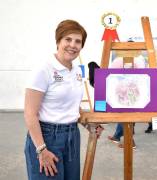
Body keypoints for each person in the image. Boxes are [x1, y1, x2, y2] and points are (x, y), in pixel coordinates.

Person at [24, 19, 103, 180]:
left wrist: (88, 124)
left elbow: (72, 106)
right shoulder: (44, 69)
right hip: (47, 137)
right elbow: (30, 113)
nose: (73, 45)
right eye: (68, 39)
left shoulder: (76, 70)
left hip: (72, 136)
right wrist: (41, 149)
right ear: (58, 41)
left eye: (78, 41)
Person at [107, 50, 147, 149]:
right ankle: (118, 137)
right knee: (125, 117)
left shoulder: (137, 61)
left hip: (130, 92)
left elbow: (142, 77)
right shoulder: (121, 61)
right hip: (125, 92)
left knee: (126, 118)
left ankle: (130, 142)